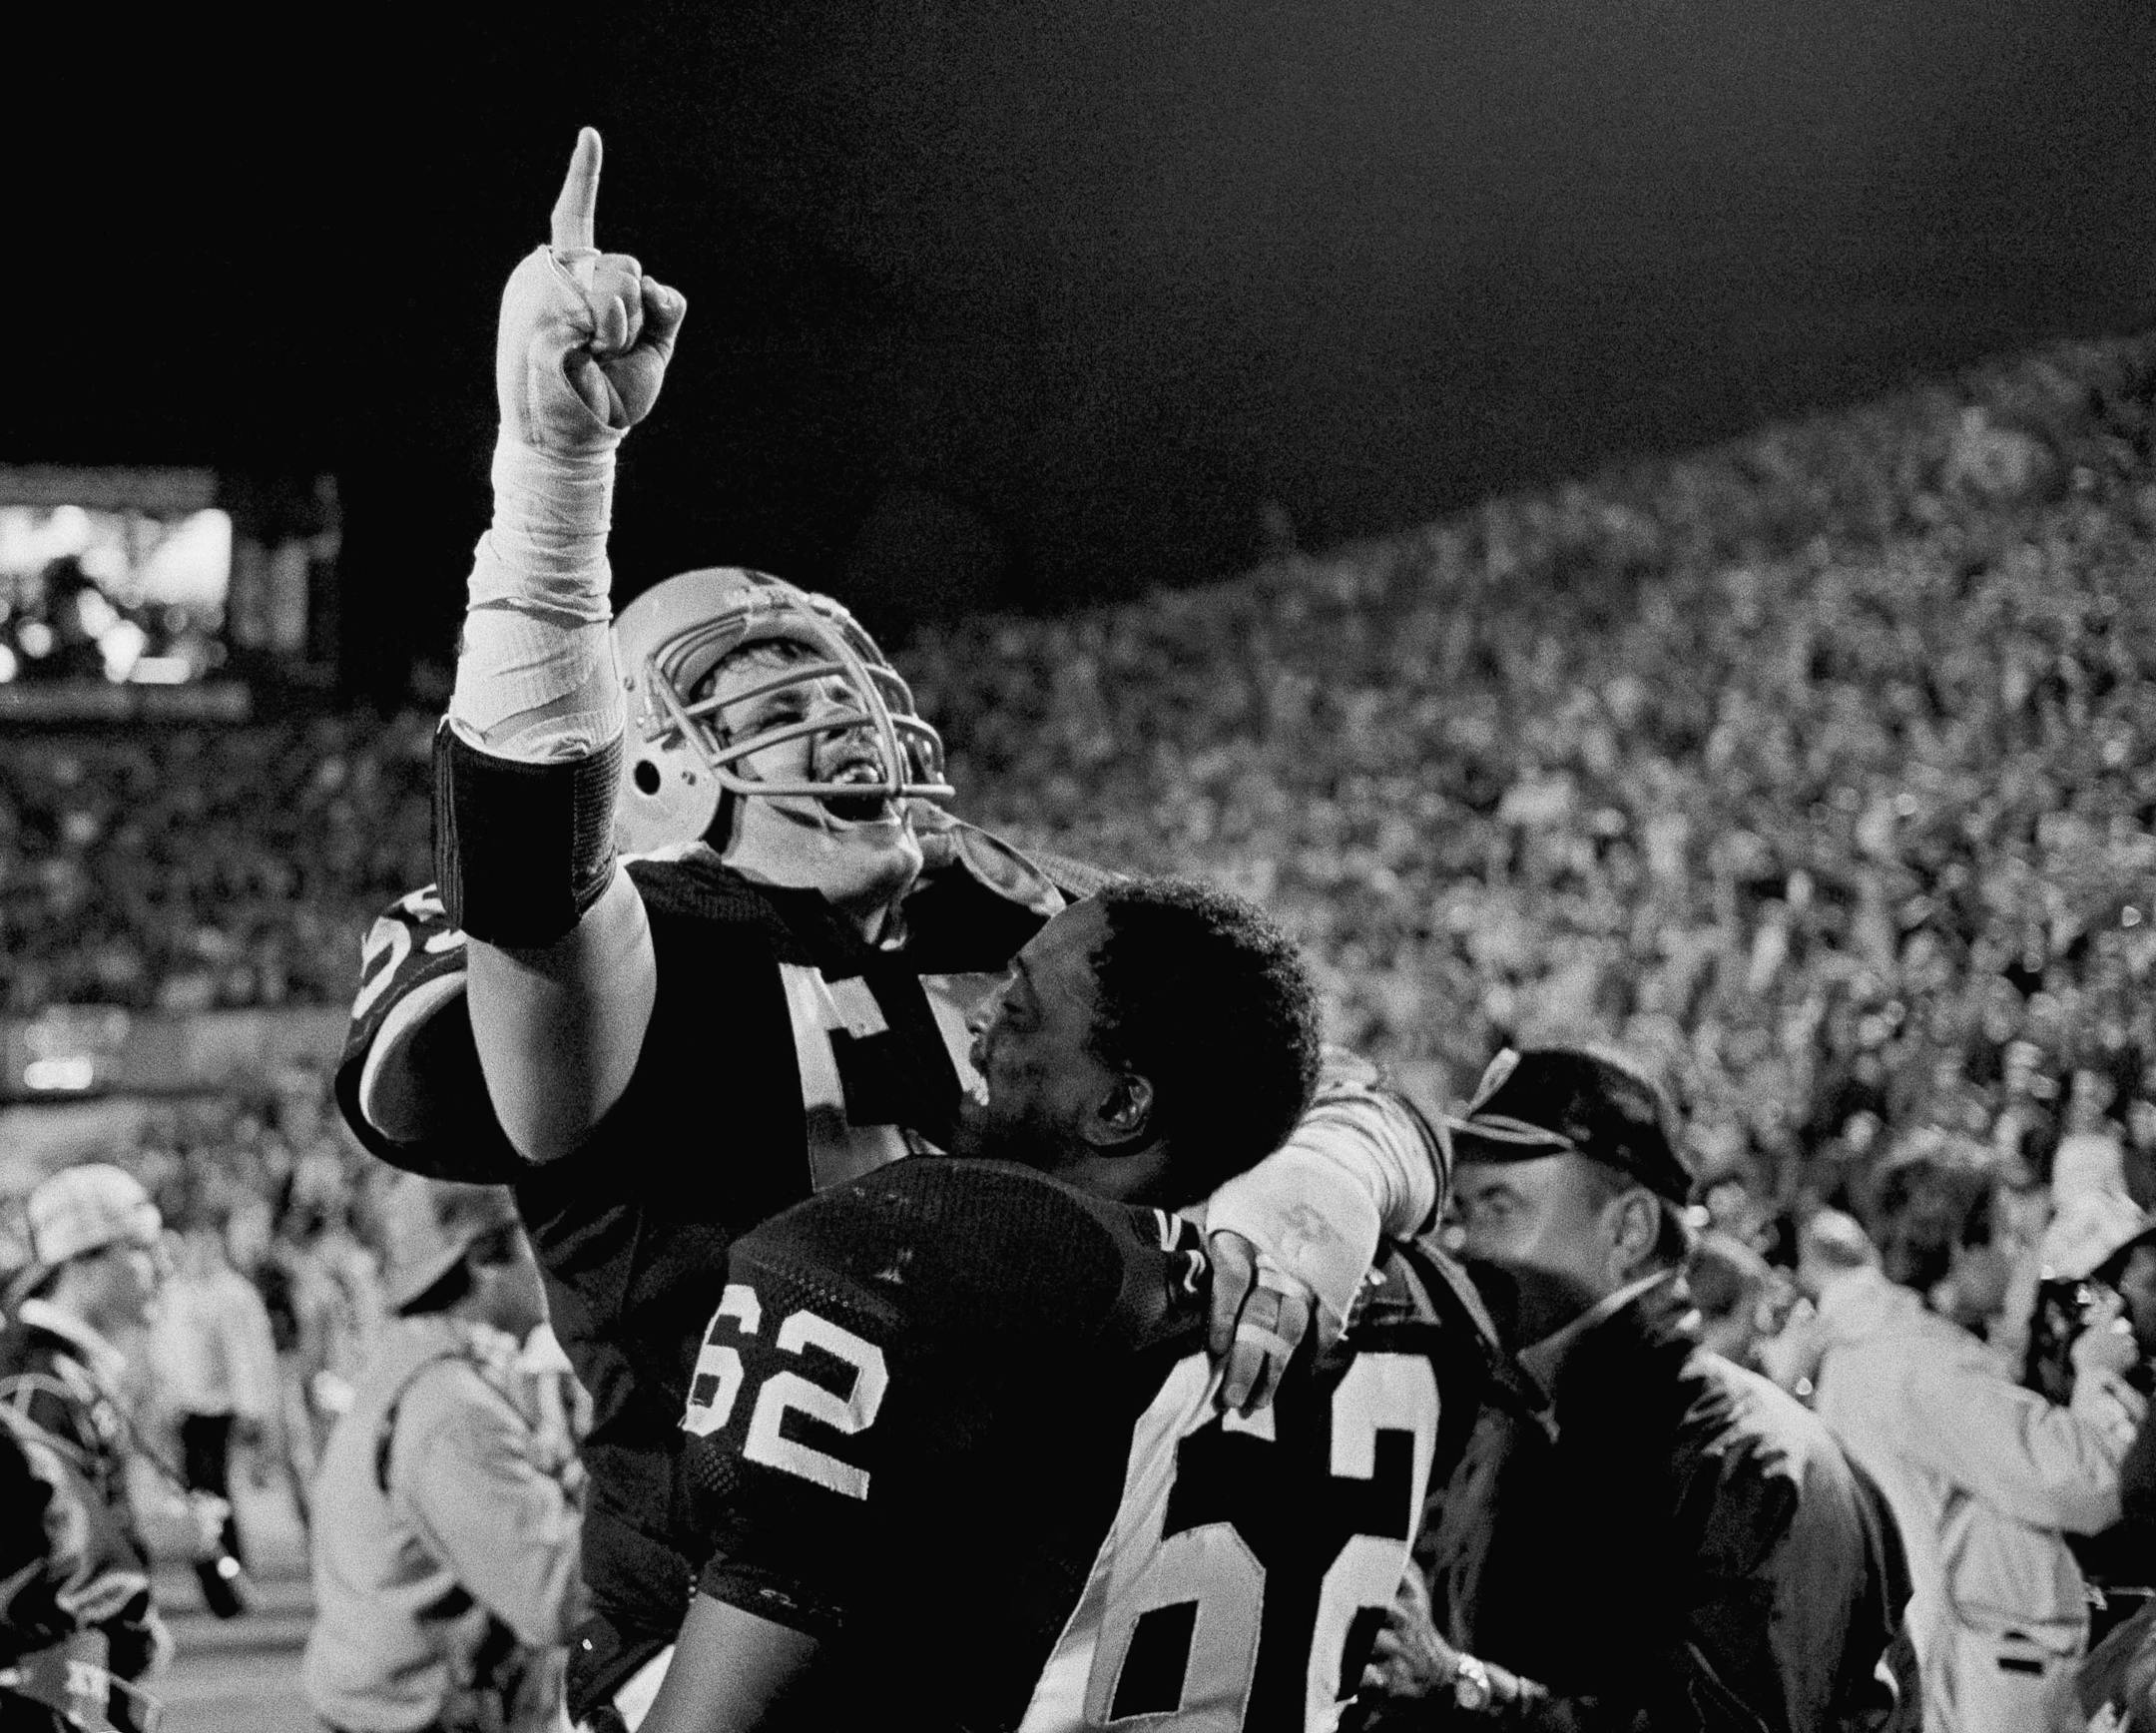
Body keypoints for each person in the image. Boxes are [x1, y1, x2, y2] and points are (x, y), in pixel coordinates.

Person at [333, 128, 1443, 1728]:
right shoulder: (623, 935)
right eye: (755, 692)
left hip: (1021, 1618)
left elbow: (1352, 1096)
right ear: (644, 765)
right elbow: (533, 880)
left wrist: (1305, 1204)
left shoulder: (1007, 909)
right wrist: (557, 484)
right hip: (720, 1635)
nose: (840, 716)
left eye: (842, 676)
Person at [641, 875, 1459, 1733]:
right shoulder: (1390, 1299)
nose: (978, 1025)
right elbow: (1388, 1110)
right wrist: (1324, 1183)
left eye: (1019, 1009)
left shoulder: (963, 1251)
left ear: (1121, 1105)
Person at [1357, 1046, 1912, 1732]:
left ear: (1629, 1230)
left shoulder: (1756, 1463)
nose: (1464, 1248)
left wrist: (1466, 1689)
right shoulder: (1515, 1423)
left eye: (1499, 1207)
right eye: (1460, 1214)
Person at [1803, 1161, 2147, 1733]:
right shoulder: (1927, 1364)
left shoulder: (1869, 1343)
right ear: (1963, 1247)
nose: (2020, 1256)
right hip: (1965, 1685)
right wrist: (2096, 1374)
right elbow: (2089, 1485)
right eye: (2006, 1235)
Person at [303, 1174, 585, 1733]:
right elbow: (557, 1597)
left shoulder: (421, 1366)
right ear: (483, 1260)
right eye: (539, 1238)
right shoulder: (453, 1409)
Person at [0, 1163, 207, 1721]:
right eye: (140, 1247)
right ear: (81, 1262)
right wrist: (131, 1618)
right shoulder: (33, 1388)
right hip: (45, 1692)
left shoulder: (63, 1373)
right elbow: (45, 1559)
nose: (164, 1265)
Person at [150, 1213, 279, 1614]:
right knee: (197, 1494)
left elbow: (251, 1354)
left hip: (221, 1409)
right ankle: (218, 1583)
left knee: (214, 1493)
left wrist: (254, 1407)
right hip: (185, 1410)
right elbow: (163, 1353)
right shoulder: (174, 1294)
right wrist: (163, 1402)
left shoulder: (234, 1292)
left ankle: (230, 1580)